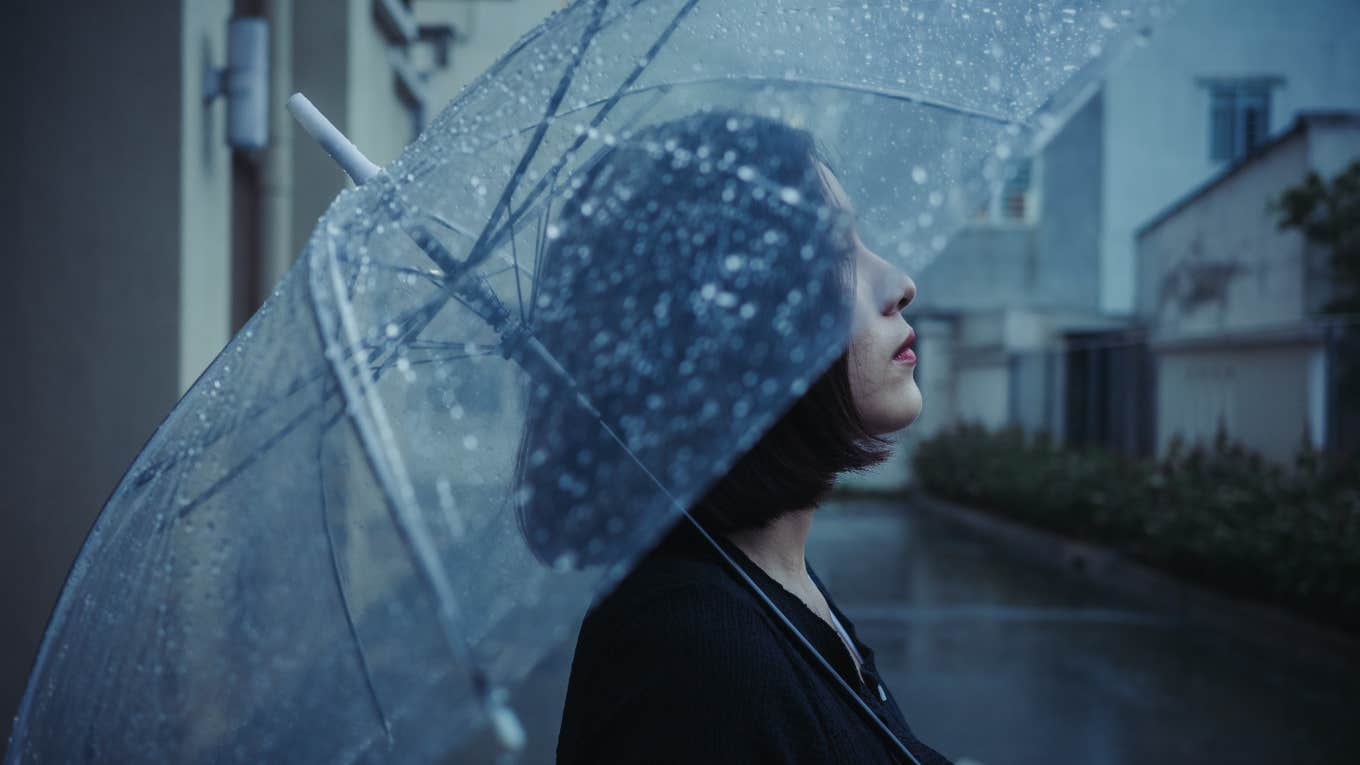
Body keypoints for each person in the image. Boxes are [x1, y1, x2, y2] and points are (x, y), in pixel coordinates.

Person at [516, 110, 949, 764]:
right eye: (835, 255)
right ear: (731, 331)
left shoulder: (770, 588)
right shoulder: (694, 663)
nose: (899, 284)